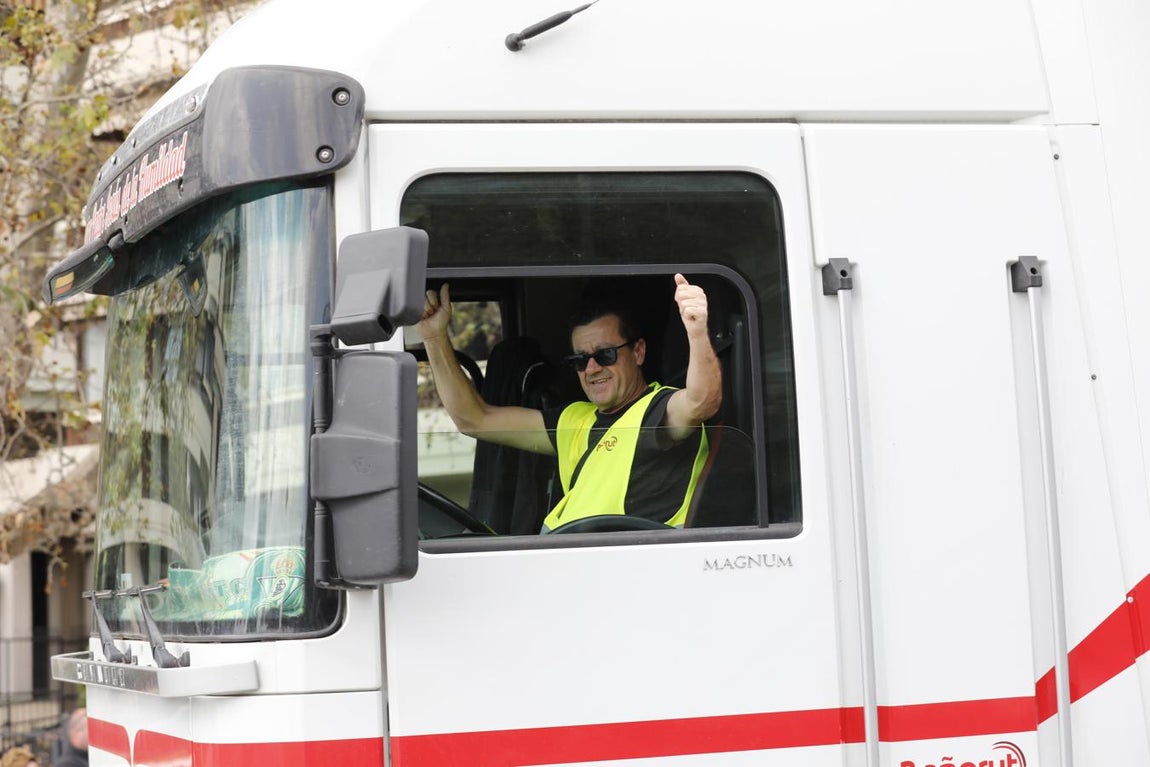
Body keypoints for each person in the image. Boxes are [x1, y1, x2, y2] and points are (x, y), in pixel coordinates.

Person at [417, 274, 721, 531]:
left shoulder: (658, 408)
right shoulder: (574, 419)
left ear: (638, 352)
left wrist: (697, 332)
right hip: (565, 565)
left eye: (605, 355)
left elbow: (701, 402)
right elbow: (474, 419)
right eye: (580, 360)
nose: (592, 369)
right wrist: (433, 337)